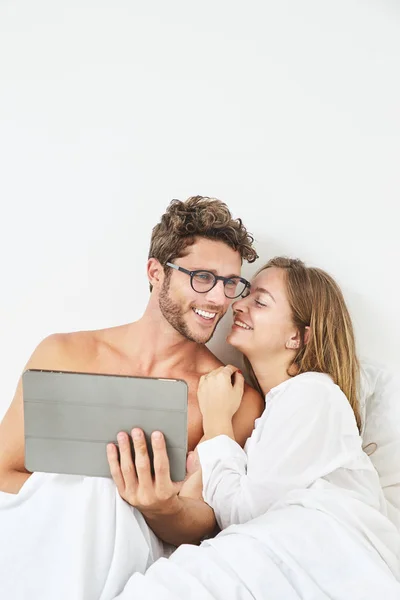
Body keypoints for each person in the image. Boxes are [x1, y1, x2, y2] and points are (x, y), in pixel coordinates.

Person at [0, 196, 264, 600]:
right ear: (156, 272)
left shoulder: (230, 398)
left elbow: (204, 524)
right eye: (202, 277)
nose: (218, 299)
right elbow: (4, 474)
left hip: (127, 563)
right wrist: (95, 496)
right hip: (40, 546)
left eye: (230, 283)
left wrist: (161, 507)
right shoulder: (63, 355)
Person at [110, 257, 400, 599]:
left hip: (328, 549)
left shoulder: (315, 393)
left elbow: (244, 513)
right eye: (246, 294)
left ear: (298, 336)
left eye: (259, 302)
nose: (238, 305)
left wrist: (217, 421)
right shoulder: (272, 411)